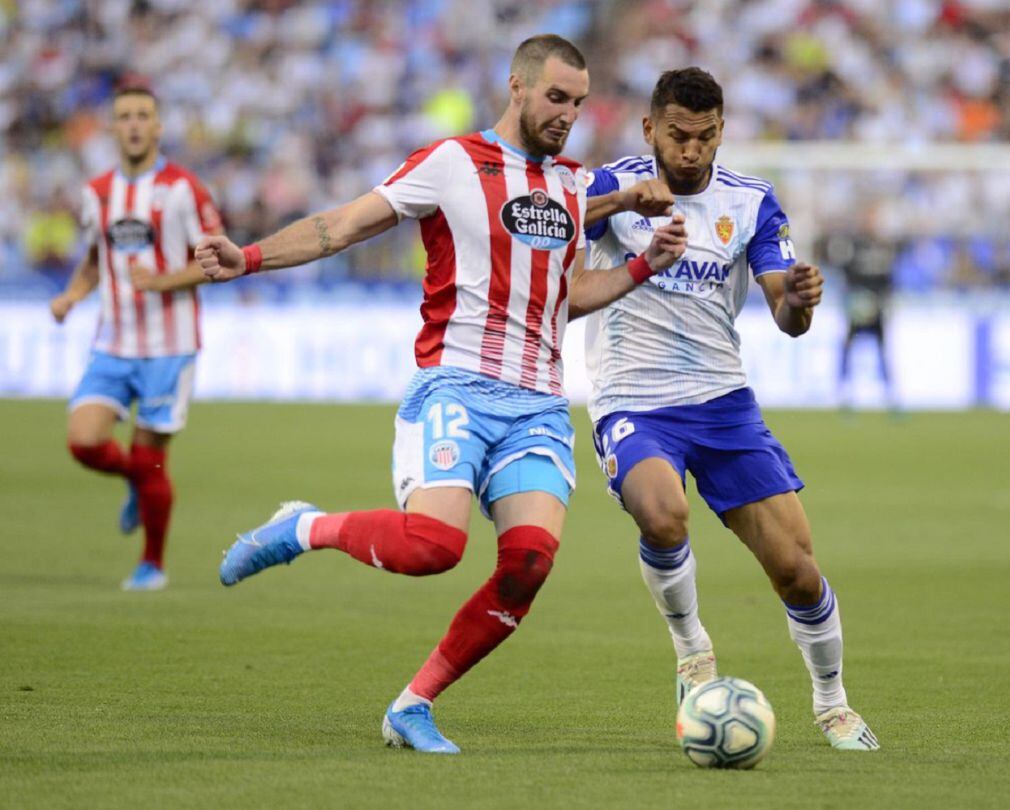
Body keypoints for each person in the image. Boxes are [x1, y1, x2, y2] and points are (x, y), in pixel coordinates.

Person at [194, 34, 686, 755]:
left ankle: (413, 704)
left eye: (578, 103)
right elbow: (342, 226)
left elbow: (562, 299)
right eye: (555, 97)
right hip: (456, 383)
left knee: (528, 565)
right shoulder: (452, 163)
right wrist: (249, 258)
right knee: (433, 547)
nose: (567, 114)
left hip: (540, 405)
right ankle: (304, 527)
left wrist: (643, 267)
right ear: (516, 87)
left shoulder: (575, 190)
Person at [581, 67, 879, 751]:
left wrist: (799, 300)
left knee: (798, 570)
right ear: (650, 128)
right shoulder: (611, 186)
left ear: (722, 131)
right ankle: (692, 650)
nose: (692, 150)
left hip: (724, 404)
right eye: (679, 136)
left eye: (706, 136)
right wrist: (627, 197)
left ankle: (832, 704)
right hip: (633, 398)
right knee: (661, 512)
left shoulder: (751, 203)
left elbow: (785, 313)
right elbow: (552, 220)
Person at [50, 81, 223, 591]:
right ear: (112, 126)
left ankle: (152, 564)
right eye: (123, 116)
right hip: (112, 342)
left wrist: (164, 281)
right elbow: (92, 258)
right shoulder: (97, 192)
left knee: (153, 460)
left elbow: (217, 259)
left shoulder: (184, 189)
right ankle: (132, 477)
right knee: (83, 442)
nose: (132, 124)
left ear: (158, 126)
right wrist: (70, 295)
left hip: (169, 348)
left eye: (142, 115)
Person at [821, 215, 897, 410]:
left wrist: (885, 303)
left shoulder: (883, 249)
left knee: (881, 351)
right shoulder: (854, 247)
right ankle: (844, 395)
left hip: (876, 308)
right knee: (848, 349)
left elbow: (888, 281)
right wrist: (851, 302)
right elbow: (846, 276)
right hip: (857, 308)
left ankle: (890, 397)